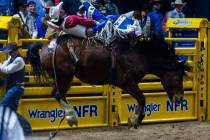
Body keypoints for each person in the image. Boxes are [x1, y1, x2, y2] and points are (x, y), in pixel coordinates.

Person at [0, 42, 32, 136]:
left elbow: (6, 69)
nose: (9, 54)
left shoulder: (19, 60)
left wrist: (1, 66)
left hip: (16, 88)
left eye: (10, 52)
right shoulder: (12, 58)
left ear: (15, 51)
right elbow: (4, 66)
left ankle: (26, 129)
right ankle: (27, 129)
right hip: (14, 88)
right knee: (12, 112)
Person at [42, 2, 108, 38]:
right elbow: (88, 22)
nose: (62, 9)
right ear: (60, 13)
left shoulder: (62, 25)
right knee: (109, 19)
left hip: (86, 33)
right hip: (93, 30)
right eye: (60, 10)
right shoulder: (71, 18)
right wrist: (97, 22)